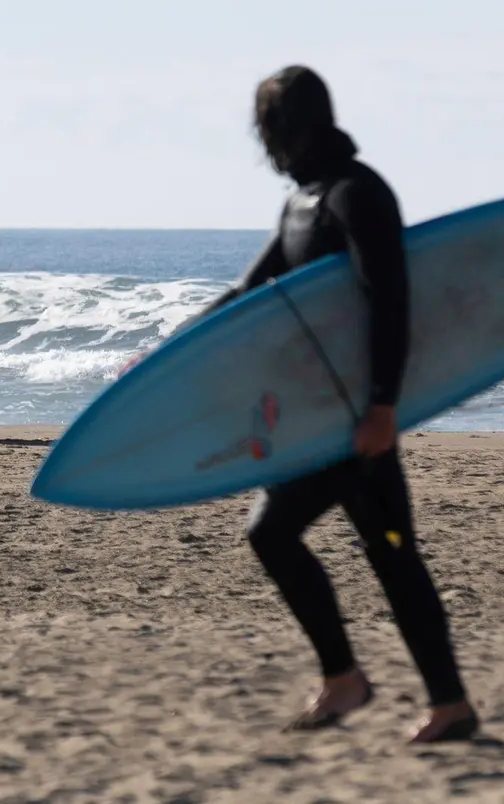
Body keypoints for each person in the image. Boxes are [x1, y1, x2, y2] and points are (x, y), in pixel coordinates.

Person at [184, 65, 479, 743]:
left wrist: (382, 406)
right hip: (323, 421)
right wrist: (168, 354)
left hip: (356, 423)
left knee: (327, 541)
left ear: (286, 129)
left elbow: (391, 299)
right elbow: (249, 295)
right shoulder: (304, 204)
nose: (263, 144)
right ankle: (418, 696)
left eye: (266, 129)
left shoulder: (357, 194)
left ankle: (382, 688)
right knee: (373, 550)